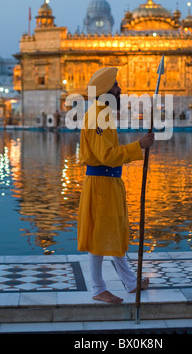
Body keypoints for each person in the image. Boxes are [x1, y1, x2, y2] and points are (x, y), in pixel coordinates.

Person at [77, 66, 154, 303]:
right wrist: (138, 145)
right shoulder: (98, 115)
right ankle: (98, 289)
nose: (120, 89)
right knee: (100, 235)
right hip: (101, 183)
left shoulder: (103, 113)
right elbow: (107, 156)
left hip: (109, 182)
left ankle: (130, 282)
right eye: (116, 85)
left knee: (113, 232)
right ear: (106, 90)